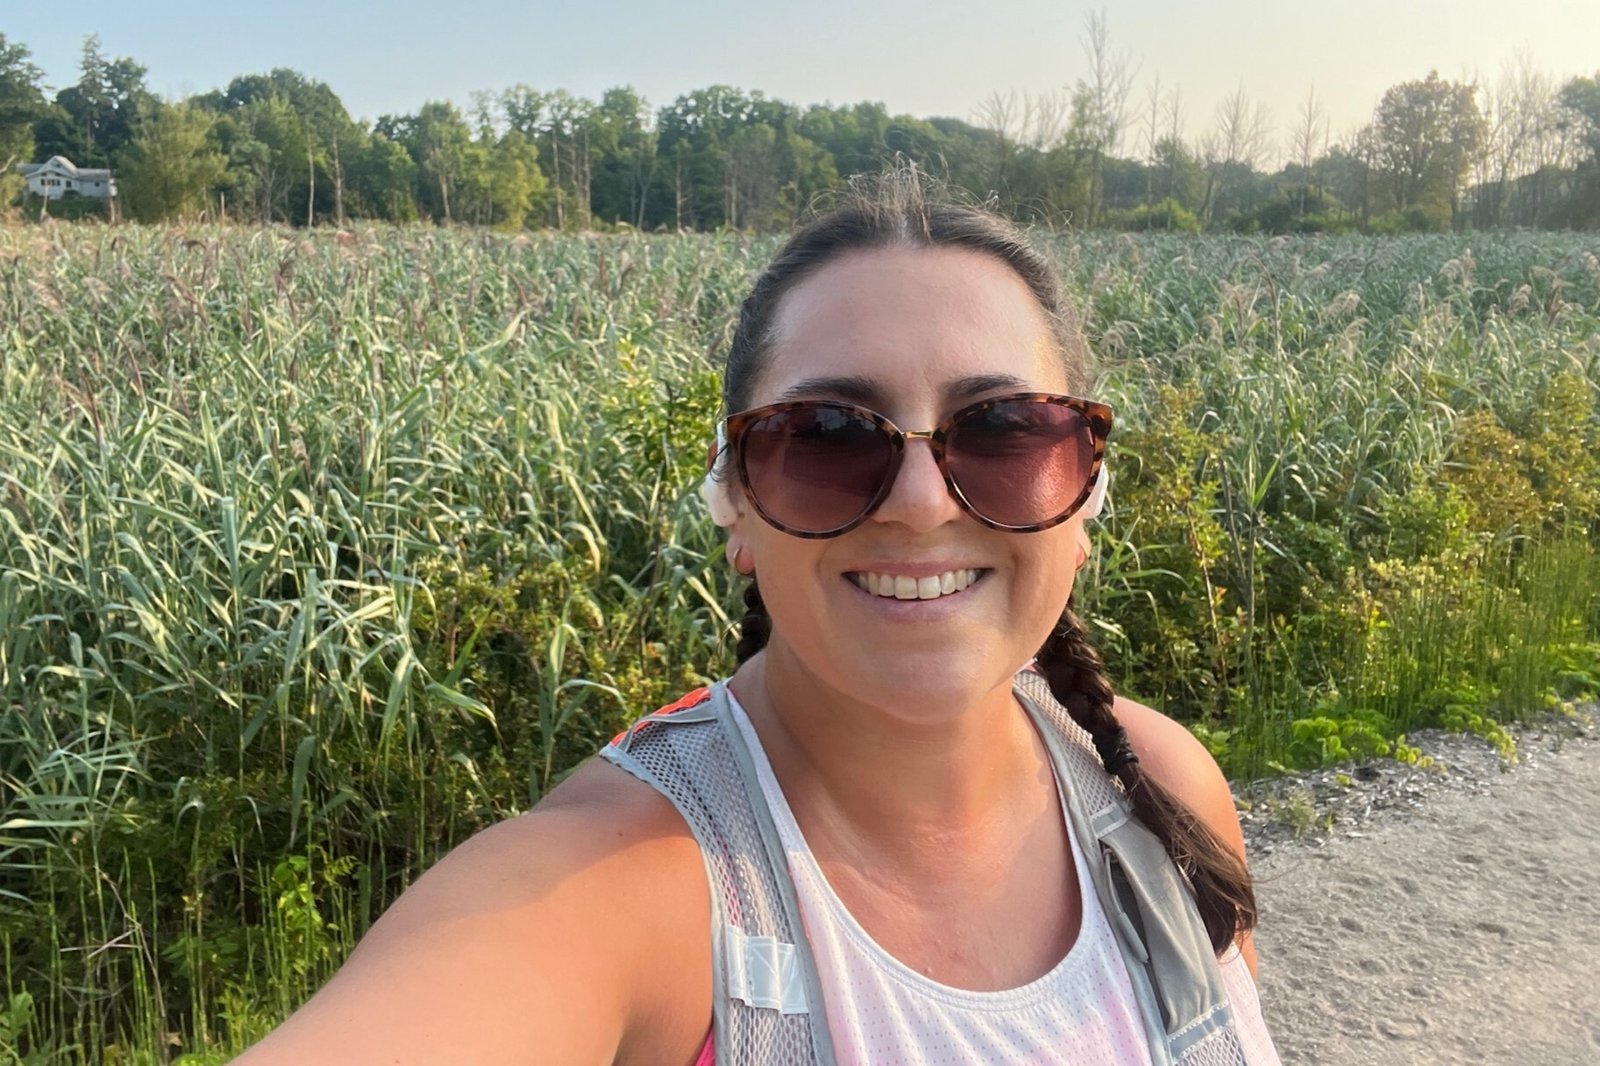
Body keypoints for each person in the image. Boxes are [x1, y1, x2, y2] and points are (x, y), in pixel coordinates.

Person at [236, 169, 1280, 1066]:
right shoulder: (625, 890)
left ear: (1085, 492)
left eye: (1002, 430)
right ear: (734, 502)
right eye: (828, 435)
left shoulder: (1155, 789)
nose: (923, 505)